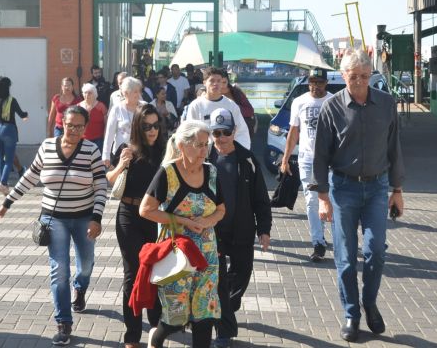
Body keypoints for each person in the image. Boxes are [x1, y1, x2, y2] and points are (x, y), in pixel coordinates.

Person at [313, 49, 405, 342]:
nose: (360, 83)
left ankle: (370, 302)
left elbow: (395, 148)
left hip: (377, 187)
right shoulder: (332, 107)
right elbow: (320, 155)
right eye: (354, 77)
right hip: (343, 188)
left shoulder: (387, 104)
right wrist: (323, 198)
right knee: (346, 257)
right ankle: (351, 314)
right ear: (343, 77)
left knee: (376, 250)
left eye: (365, 77)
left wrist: (397, 189)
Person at [0, 106, 107, 346]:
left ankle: (80, 288)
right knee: (60, 269)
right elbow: (30, 176)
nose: (74, 130)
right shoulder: (47, 146)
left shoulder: (91, 150)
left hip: (84, 218)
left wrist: (96, 218)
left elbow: (100, 185)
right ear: (62, 123)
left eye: (79, 126)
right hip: (53, 217)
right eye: (70, 125)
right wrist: (8, 201)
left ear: (85, 128)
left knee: (85, 265)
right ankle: (63, 323)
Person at [139, 120, 225, 348]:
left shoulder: (212, 172)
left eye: (206, 145)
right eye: (198, 145)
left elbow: (221, 209)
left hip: (207, 256)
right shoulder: (168, 173)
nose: (204, 151)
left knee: (205, 312)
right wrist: (184, 221)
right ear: (182, 145)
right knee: (175, 317)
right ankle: (156, 338)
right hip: (177, 257)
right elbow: (146, 210)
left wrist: (208, 220)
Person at [206, 108, 271, 347]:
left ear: (234, 131)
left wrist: (264, 228)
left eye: (225, 132)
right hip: (213, 232)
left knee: (241, 276)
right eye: (216, 133)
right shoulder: (204, 159)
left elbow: (261, 198)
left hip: (242, 230)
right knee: (219, 281)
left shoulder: (247, 160)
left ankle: (226, 310)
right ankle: (223, 332)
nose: (221, 138)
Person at [106, 104, 166, 348]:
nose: (152, 130)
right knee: (133, 274)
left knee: (154, 273)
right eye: (146, 126)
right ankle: (132, 336)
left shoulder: (165, 150)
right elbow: (110, 180)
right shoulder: (127, 148)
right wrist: (121, 164)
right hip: (128, 215)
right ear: (137, 127)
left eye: (155, 125)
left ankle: (155, 327)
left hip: (154, 218)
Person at [280, 68, 333, 262]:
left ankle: (334, 237)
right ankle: (318, 242)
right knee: (311, 201)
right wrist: (285, 159)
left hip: (330, 161)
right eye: (312, 82)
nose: (315, 86)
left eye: (319, 82)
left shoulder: (334, 101)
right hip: (307, 159)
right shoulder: (299, 102)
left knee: (330, 200)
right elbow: (294, 132)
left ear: (325, 83)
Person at [185, 67, 250, 149]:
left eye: (219, 81)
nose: (216, 84)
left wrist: (238, 153)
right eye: (212, 81)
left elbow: (242, 132)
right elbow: (189, 133)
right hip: (204, 154)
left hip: (227, 154)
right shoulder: (196, 106)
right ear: (204, 83)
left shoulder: (231, 105)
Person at [0, 77, 29, 195]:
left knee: (0, 156)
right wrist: (26, 115)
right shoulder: (12, 100)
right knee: (9, 159)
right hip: (8, 130)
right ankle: (3, 183)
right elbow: (22, 114)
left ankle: (4, 185)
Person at [103, 76, 143, 165]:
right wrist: (106, 155)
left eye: (139, 91)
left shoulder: (144, 107)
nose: (138, 94)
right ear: (126, 93)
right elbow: (109, 133)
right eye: (135, 92)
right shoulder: (117, 109)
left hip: (141, 153)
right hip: (121, 154)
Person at [219, 72, 256, 136]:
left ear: (228, 81)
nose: (222, 86)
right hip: (220, 130)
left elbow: (250, 110)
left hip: (239, 130)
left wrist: (233, 107)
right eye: (219, 82)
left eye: (224, 82)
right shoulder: (210, 94)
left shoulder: (236, 91)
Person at [79, 83, 108, 153]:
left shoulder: (101, 106)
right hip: (83, 139)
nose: (87, 95)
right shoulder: (79, 106)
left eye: (90, 93)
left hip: (98, 139)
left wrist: (105, 137)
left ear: (95, 94)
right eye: (85, 93)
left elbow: (107, 124)